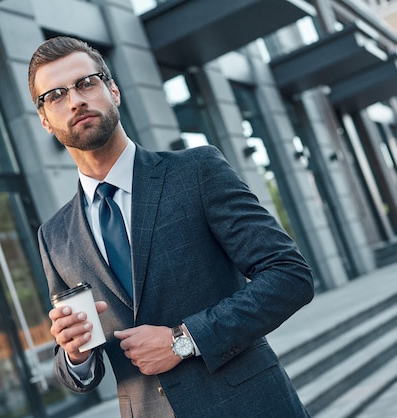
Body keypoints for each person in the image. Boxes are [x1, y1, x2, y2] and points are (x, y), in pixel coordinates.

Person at [30, 36, 315, 417]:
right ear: (45, 119)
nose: (75, 100)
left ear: (112, 89)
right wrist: (75, 354)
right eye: (56, 95)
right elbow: (76, 371)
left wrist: (185, 340)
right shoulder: (54, 237)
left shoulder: (197, 171)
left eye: (86, 83)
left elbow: (289, 275)